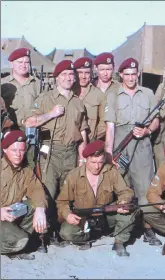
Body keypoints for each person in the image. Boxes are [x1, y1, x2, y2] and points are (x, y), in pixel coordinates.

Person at [23, 60, 88, 244]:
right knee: (48, 191)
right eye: (64, 75)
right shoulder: (46, 99)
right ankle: (43, 235)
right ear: (57, 77)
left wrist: (82, 158)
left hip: (72, 152)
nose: (68, 78)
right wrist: (50, 114)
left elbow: (83, 132)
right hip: (50, 152)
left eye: (71, 74)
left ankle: (60, 230)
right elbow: (28, 122)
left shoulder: (78, 103)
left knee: (67, 192)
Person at [104, 57, 162, 246]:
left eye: (133, 74)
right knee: (122, 186)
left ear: (138, 74)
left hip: (142, 144)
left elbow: (155, 120)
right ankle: (123, 229)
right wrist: (109, 153)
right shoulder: (113, 95)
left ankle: (148, 228)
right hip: (121, 142)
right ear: (121, 75)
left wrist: (147, 131)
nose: (130, 78)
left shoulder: (148, 93)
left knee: (145, 186)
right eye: (126, 74)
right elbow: (110, 127)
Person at [56, 140, 135, 257]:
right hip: (83, 217)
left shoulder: (111, 171)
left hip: (106, 215)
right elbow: (62, 201)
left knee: (129, 215)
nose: (97, 166)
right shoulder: (74, 175)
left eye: (100, 162)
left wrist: (122, 202)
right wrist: (67, 214)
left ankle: (119, 241)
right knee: (66, 233)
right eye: (93, 162)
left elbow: (125, 191)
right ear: (86, 159)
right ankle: (87, 237)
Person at [1, 130, 48, 260]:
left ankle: (19, 239)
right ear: (5, 149)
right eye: (14, 150)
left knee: (33, 205)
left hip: (11, 217)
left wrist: (40, 209)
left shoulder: (26, 171)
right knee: (21, 240)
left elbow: (37, 190)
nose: (18, 154)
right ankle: (18, 242)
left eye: (22, 150)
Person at [1, 48, 44, 167]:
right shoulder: (3, 84)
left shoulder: (37, 84)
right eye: (20, 62)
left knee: (30, 166)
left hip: (32, 134)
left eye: (26, 62)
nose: (23, 65)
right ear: (12, 64)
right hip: (10, 133)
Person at [73, 57, 106, 141]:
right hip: (70, 144)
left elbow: (103, 122)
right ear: (75, 73)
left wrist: (93, 137)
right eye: (80, 72)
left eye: (87, 73)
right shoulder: (69, 92)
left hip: (89, 143)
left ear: (91, 74)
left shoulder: (99, 94)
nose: (83, 76)